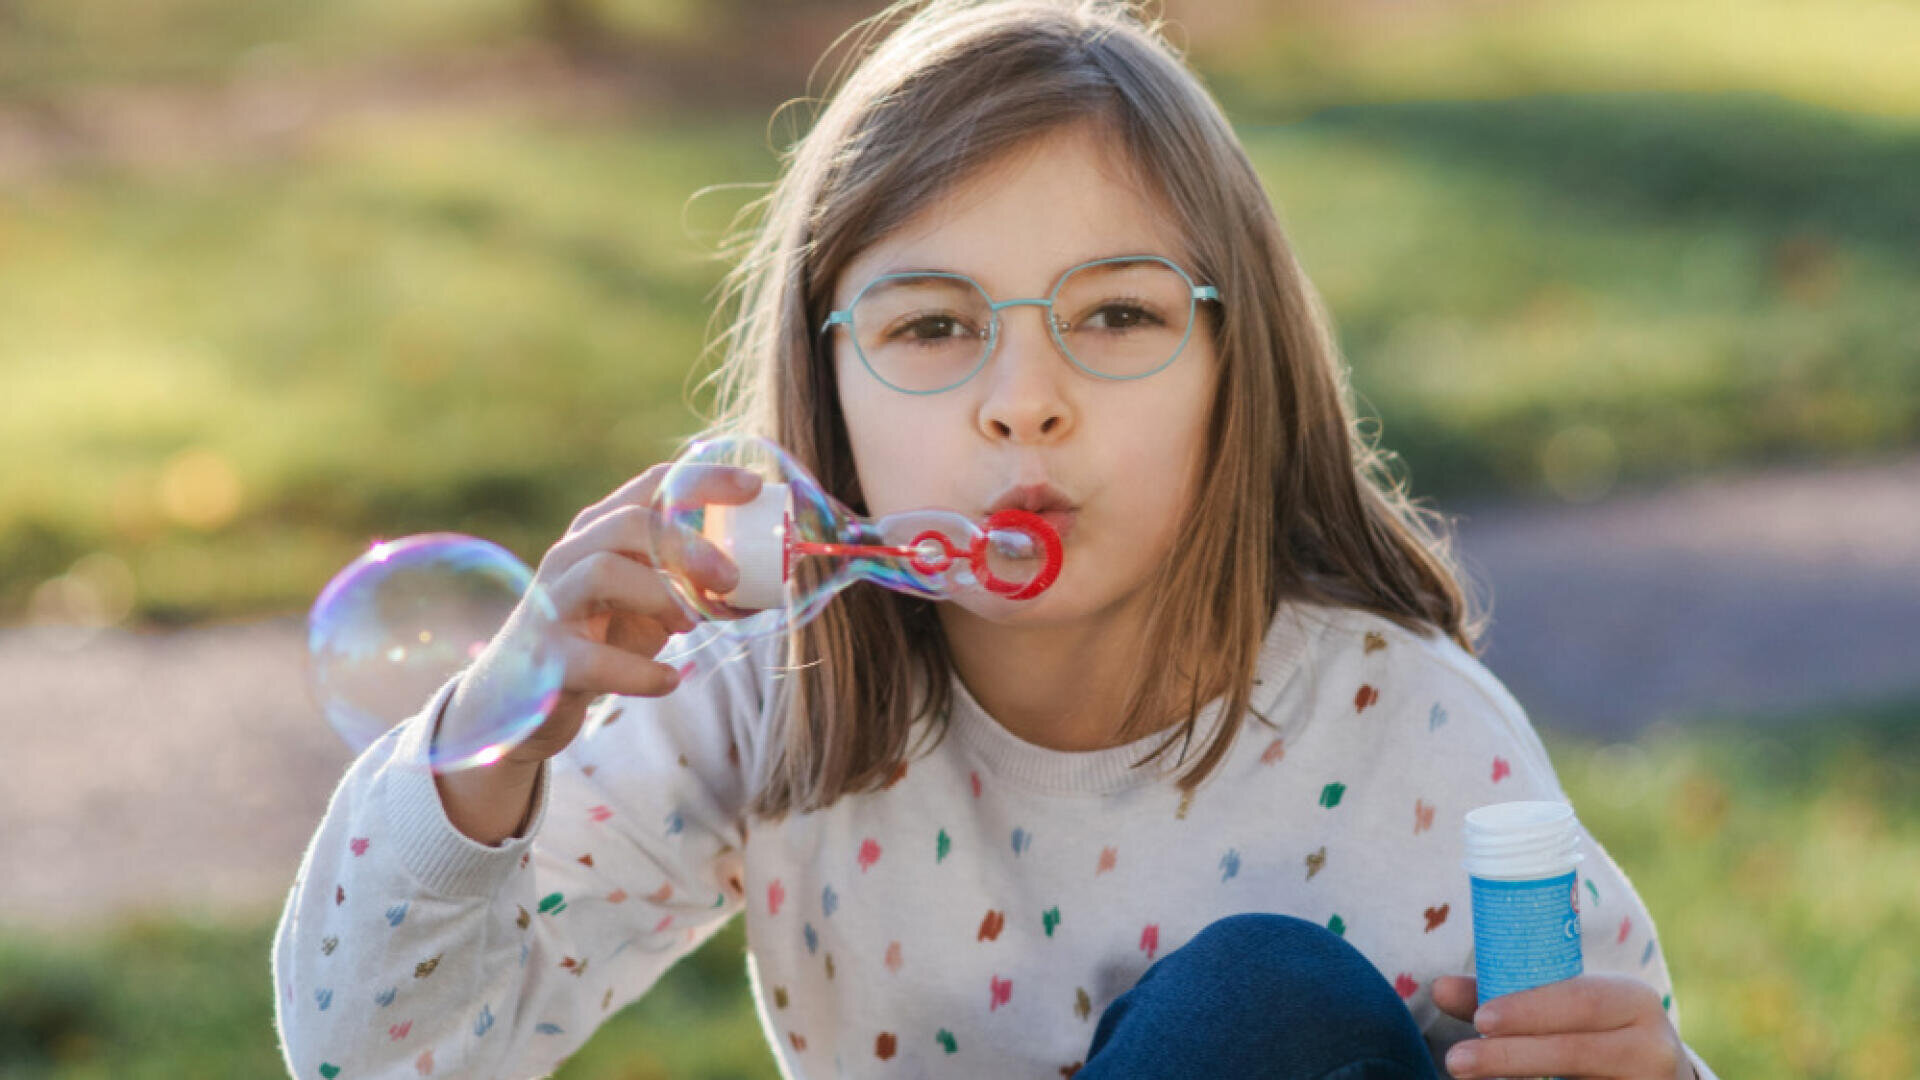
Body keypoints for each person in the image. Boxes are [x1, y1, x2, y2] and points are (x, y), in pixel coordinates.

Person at [272, 2, 1718, 1077]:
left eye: (1117, 316)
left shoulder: (1406, 742)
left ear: (1242, 367)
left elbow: (1596, 1049)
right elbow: (383, 1058)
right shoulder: (758, 696)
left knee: (1256, 1006)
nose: (1026, 404)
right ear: (822, 392)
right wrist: (493, 749)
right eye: (933, 327)